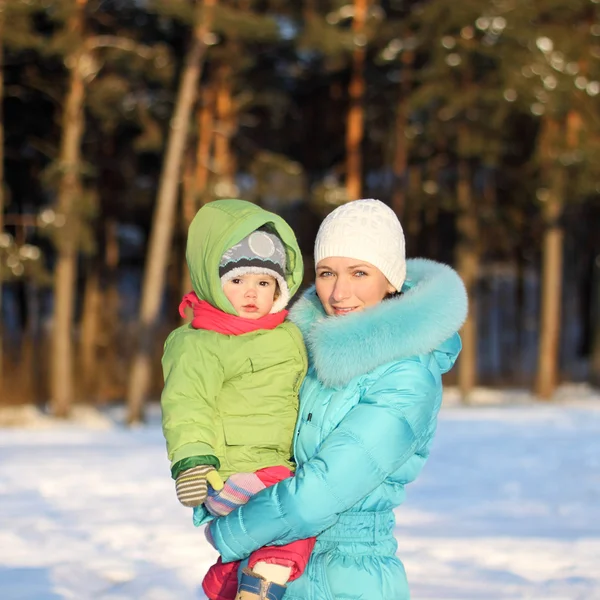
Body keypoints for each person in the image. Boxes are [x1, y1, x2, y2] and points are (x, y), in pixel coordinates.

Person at [204, 198, 468, 600]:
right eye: (327, 273)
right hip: (272, 567)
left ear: (391, 279)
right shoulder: (303, 353)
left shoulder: (409, 376)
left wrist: (230, 529)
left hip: (347, 577)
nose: (340, 292)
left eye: (359, 273)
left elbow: (320, 493)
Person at [161, 199, 315, 600]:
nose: (251, 293)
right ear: (213, 282)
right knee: (299, 515)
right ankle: (262, 582)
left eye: (264, 283)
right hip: (229, 471)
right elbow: (186, 403)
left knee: (267, 526)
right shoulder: (200, 343)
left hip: (276, 462)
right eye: (237, 281)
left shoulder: (288, 334)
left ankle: (225, 586)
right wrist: (192, 462)